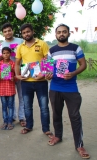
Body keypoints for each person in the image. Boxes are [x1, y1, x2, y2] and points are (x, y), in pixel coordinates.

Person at [46, 24, 90, 159]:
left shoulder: (75, 48)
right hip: (54, 88)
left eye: (64, 32)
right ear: (55, 35)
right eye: (59, 32)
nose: (61, 34)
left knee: (75, 116)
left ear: (68, 33)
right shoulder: (51, 50)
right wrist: (48, 74)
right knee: (56, 114)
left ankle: (79, 144)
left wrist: (73, 73)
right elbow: (47, 68)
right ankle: (57, 136)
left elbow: (83, 64)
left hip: (71, 88)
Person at [15, 23, 53, 138]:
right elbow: (17, 63)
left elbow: (49, 60)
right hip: (26, 82)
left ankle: (46, 129)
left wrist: (45, 73)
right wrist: (17, 75)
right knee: (27, 106)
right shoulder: (20, 47)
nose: (26, 34)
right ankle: (29, 126)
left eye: (28, 31)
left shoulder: (42, 44)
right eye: (24, 33)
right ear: (22, 35)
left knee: (44, 107)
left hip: (41, 82)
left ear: (33, 31)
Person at [0, 23, 26, 126]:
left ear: (13, 31)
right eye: (5, 31)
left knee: (21, 96)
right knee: (11, 95)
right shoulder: (1, 45)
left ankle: (22, 117)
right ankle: (13, 116)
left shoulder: (20, 41)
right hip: (7, 74)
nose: (7, 33)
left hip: (20, 72)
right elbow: (0, 59)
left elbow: (25, 56)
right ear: (3, 33)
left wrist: (24, 71)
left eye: (9, 30)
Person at [0, 47, 16, 130]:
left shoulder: (13, 64)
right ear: (2, 54)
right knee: (4, 106)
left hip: (10, 88)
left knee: (10, 106)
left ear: (10, 54)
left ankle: (10, 122)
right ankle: (5, 122)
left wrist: (13, 78)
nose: (6, 55)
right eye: (4, 53)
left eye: (7, 53)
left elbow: (16, 76)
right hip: (2, 88)